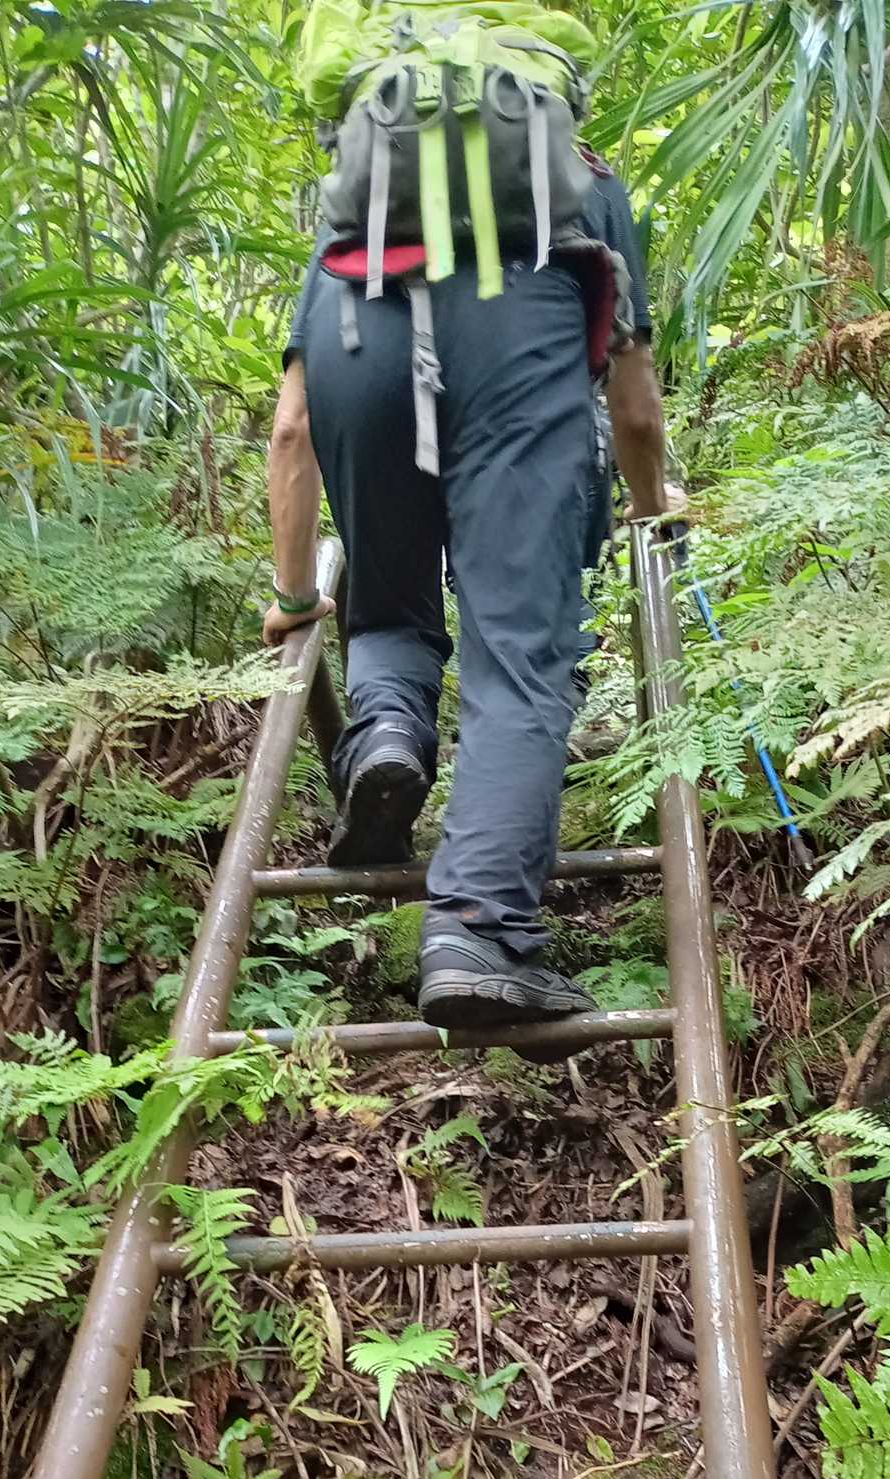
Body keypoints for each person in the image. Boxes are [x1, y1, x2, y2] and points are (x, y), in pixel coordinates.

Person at [265, 170, 671, 1034]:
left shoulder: (372, 187)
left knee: (388, 608)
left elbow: (292, 426)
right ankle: (479, 930)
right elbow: (634, 408)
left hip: (359, 346)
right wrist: (652, 510)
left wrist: (295, 594)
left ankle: (385, 733)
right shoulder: (586, 178)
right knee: (520, 654)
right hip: (514, 336)